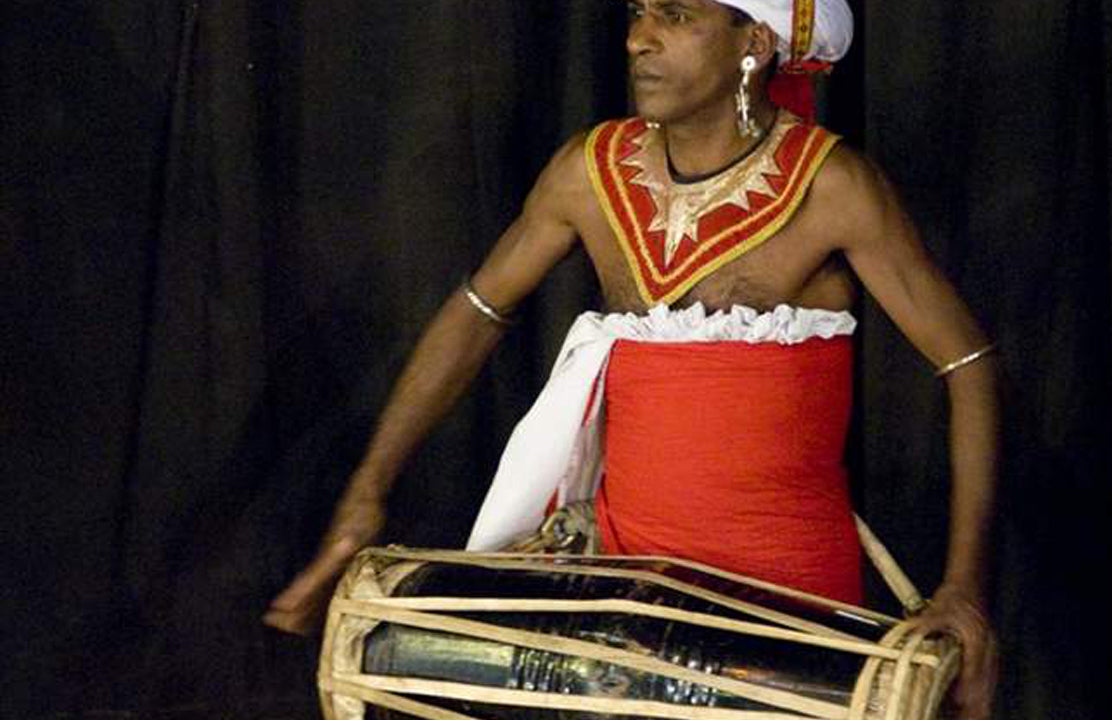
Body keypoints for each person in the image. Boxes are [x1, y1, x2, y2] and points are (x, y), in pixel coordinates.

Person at [265, 1, 999, 717]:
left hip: (788, 618)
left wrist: (962, 586)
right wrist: (366, 493)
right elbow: (475, 313)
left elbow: (965, 363)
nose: (639, 40)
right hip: (616, 607)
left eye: (676, 16)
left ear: (756, 44)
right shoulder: (588, 172)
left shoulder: (832, 187)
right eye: (639, 13)